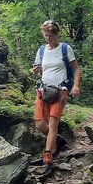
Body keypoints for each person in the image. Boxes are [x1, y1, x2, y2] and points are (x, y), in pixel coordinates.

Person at [32, 20, 81, 165]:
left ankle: (48, 154)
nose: (48, 38)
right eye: (45, 35)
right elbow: (39, 71)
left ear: (57, 34)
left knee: (53, 122)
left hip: (61, 90)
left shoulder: (65, 49)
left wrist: (76, 86)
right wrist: (36, 71)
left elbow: (76, 69)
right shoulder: (41, 50)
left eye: (50, 36)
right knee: (40, 124)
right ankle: (58, 140)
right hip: (43, 89)